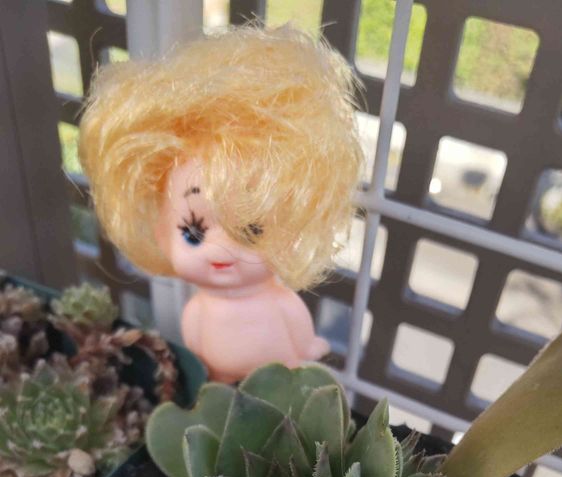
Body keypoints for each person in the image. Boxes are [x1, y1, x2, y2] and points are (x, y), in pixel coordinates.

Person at [80, 23, 362, 382]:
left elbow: (304, 342)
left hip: (282, 385)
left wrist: (307, 350)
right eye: (193, 232)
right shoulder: (197, 310)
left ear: (292, 228)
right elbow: (195, 356)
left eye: (250, 230)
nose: (221, 250)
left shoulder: (281, 304)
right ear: (162, 232)